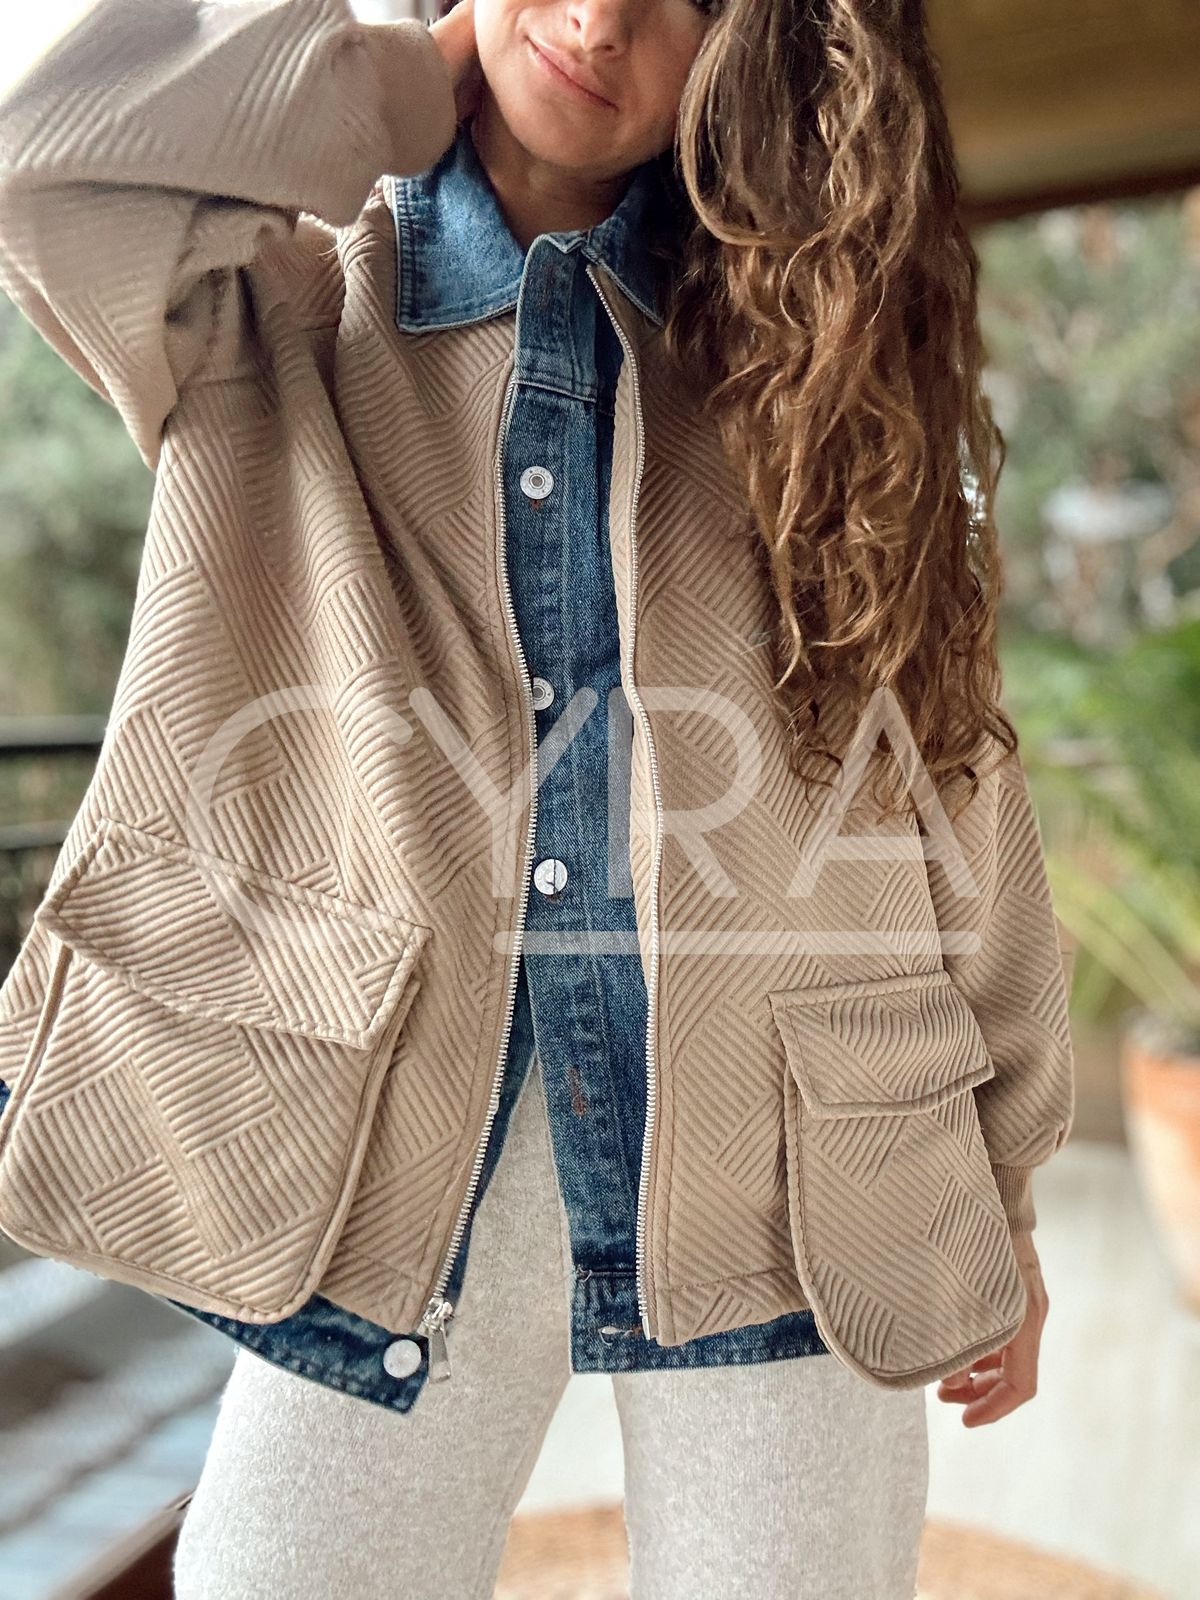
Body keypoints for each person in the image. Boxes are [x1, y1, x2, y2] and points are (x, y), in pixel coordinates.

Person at [0, 0, 1075, 1595]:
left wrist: (1007, 1197)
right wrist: (398, 81)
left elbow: (958, 785)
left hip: (797, 1151)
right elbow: (43, 156)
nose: (597, 19)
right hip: (394, 1124)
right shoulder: (265, 304)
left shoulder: (817, 364)